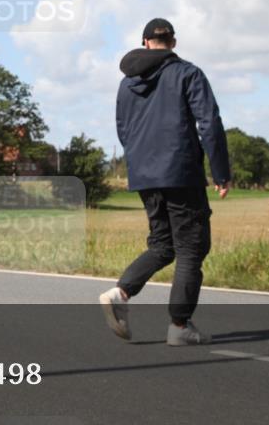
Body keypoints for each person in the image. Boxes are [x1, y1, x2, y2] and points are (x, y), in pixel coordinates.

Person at [99, 18, 231, 346]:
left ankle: (120, 293)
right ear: (172, 42)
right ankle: (180, 325)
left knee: (162, 244)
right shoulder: (188, 73)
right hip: (181, 172)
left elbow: (123, 129)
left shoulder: (126, 83)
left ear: (145, 42)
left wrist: (141, 164)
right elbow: (209, 124)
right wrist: (221, 171)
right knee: (191, 247)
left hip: (144, 174)